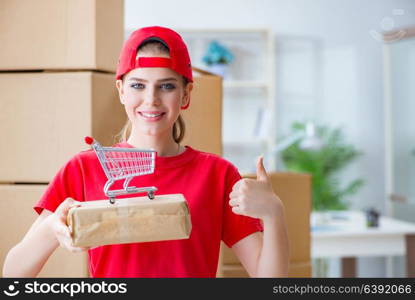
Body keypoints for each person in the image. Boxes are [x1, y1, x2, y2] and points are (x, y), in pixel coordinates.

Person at [3, 26, 289, 278]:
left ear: (186, 94)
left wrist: (274, 212)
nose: (151, 100)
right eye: (138, 85)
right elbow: (14, 272)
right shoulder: (83, 169)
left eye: (166, 86)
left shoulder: (217, 175)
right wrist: (52, 227)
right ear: (121, 91)